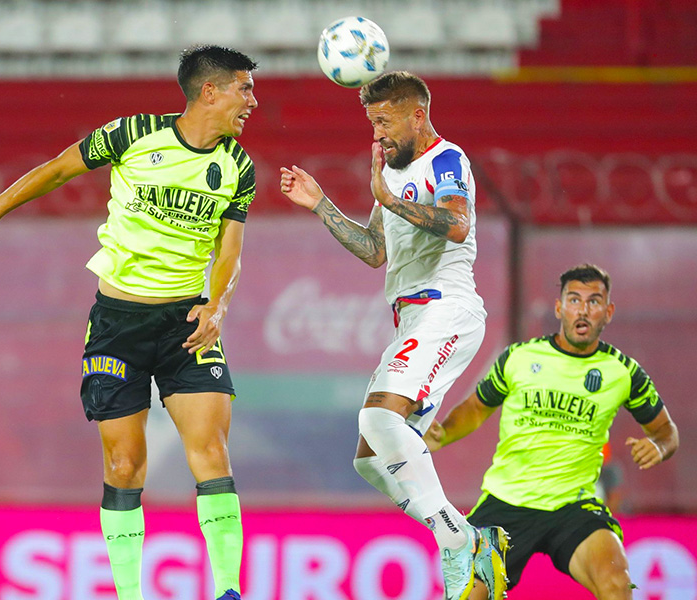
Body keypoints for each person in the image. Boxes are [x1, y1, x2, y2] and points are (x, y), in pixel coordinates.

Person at [0, 45, 259, 600]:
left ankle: (227, 591)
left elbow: (229, 252)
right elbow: (57, 169)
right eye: (245, 89)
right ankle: (130, 593)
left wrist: (216, 308)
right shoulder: (131, 134)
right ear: (210, 91)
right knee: (125, 464)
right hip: (117, 326)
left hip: (186, 324)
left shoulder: (238, 167)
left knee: (213, 452)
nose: (253, 101)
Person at [280, 71, 508, 600]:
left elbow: (457, 224)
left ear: (417, 116)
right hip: (411, 317)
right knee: (369, 458)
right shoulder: (391, 171)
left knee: (379, 417)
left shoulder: (446, 160)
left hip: (446, 309)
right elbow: (376, 252)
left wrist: (387, 194)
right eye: (371, 122)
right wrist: (321, 204)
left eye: (384, 121)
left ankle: (457, 542)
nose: (377, 133)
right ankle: (472, 538)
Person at [424, 264, 679, 600]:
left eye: (594, 301)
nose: (583, 310)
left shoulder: (624, 372)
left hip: (574, 507)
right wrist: (444, 432)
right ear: (560, 308)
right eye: (574, 300)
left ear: (608, 312)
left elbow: (666, 431)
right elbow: (475, 408)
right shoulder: (519, 357)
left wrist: (659, 447)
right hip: (507, 503)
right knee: (468, 595)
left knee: (616, 583)